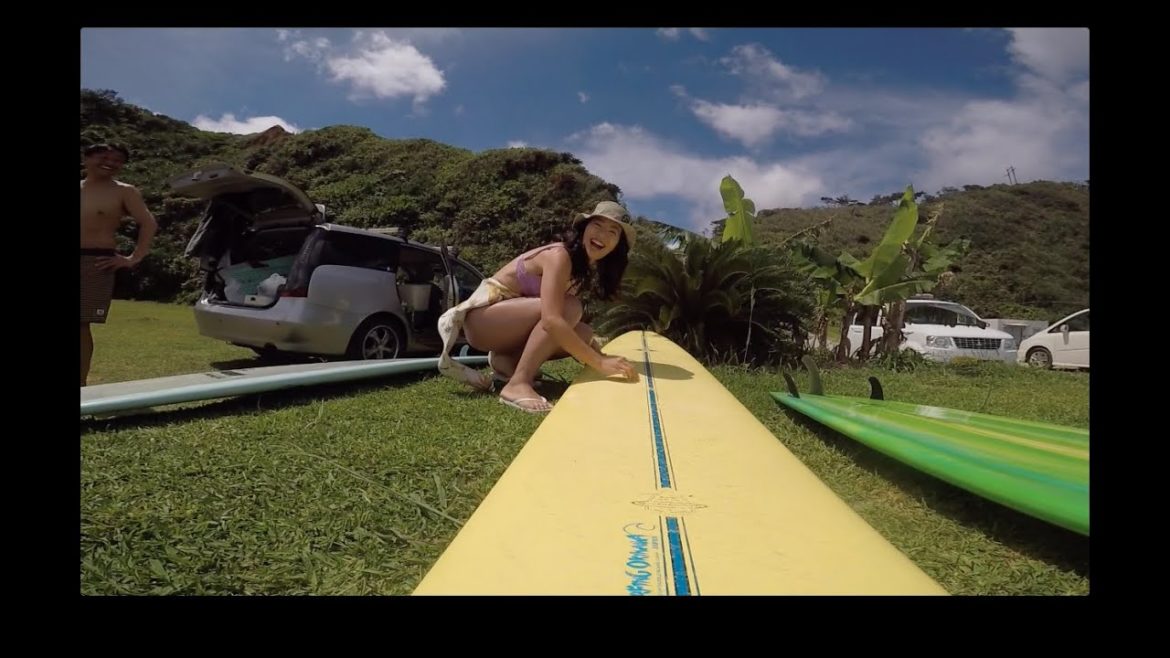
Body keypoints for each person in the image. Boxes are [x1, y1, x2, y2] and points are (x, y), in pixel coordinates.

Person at [437, 201, 639, 413]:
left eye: (613, 232)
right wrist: (599, 363)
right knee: (570, 308)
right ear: (584, 228)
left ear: (618, 244)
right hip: (482, 323)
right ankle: (517, 384)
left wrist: (601, 356)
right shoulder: (559, 256)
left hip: (505, 330)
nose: (602, 235)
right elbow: (551, 320)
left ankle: (505, 362)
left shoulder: (580, 271)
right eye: (597, 225)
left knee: (583, 331)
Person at [80, 143, 158, 386]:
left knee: (81, 325)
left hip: (96, 261)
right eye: (104, 157)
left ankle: (81, 386)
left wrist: (132, 258)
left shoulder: (125, 191)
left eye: (117, 160)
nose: (110, 163)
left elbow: (148, 223)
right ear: (86, 158)